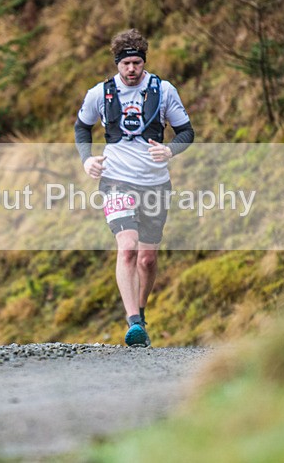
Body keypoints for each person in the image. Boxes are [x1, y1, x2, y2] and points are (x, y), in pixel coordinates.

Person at [74, 28, 194, 347]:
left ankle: (140, 309)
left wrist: (170, 150)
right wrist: (87, 160)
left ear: (144, 62)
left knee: (147, 260)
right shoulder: (100, 93)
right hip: (116, 179)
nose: (131, 69)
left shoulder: (163, 90)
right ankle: (134, 323)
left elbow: (186, 132)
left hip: (155, 182)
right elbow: (82, 127)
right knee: (127, 247)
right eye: (125, 63)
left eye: (136, 63)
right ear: (117, 63)